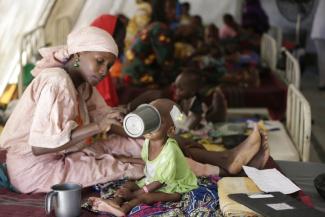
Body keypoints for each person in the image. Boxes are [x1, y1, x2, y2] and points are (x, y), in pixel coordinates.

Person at [88, 99, 198, 216]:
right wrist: (128, 159)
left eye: (158, 123)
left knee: (145, 197)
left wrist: (135, 194)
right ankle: (114, 202)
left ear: (170, 130)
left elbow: (161, 181)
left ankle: (123, 209)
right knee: (128, 185)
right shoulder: (148, 141)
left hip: (173, 187)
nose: (150, 126)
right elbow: (150, 162)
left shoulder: (171, 150)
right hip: (153, 180)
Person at [311, 0, 325, 90]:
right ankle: (323, 83)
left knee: (322, 57)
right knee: (322, 58)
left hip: (318, 31)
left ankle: (322, 82)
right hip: (321, 31)